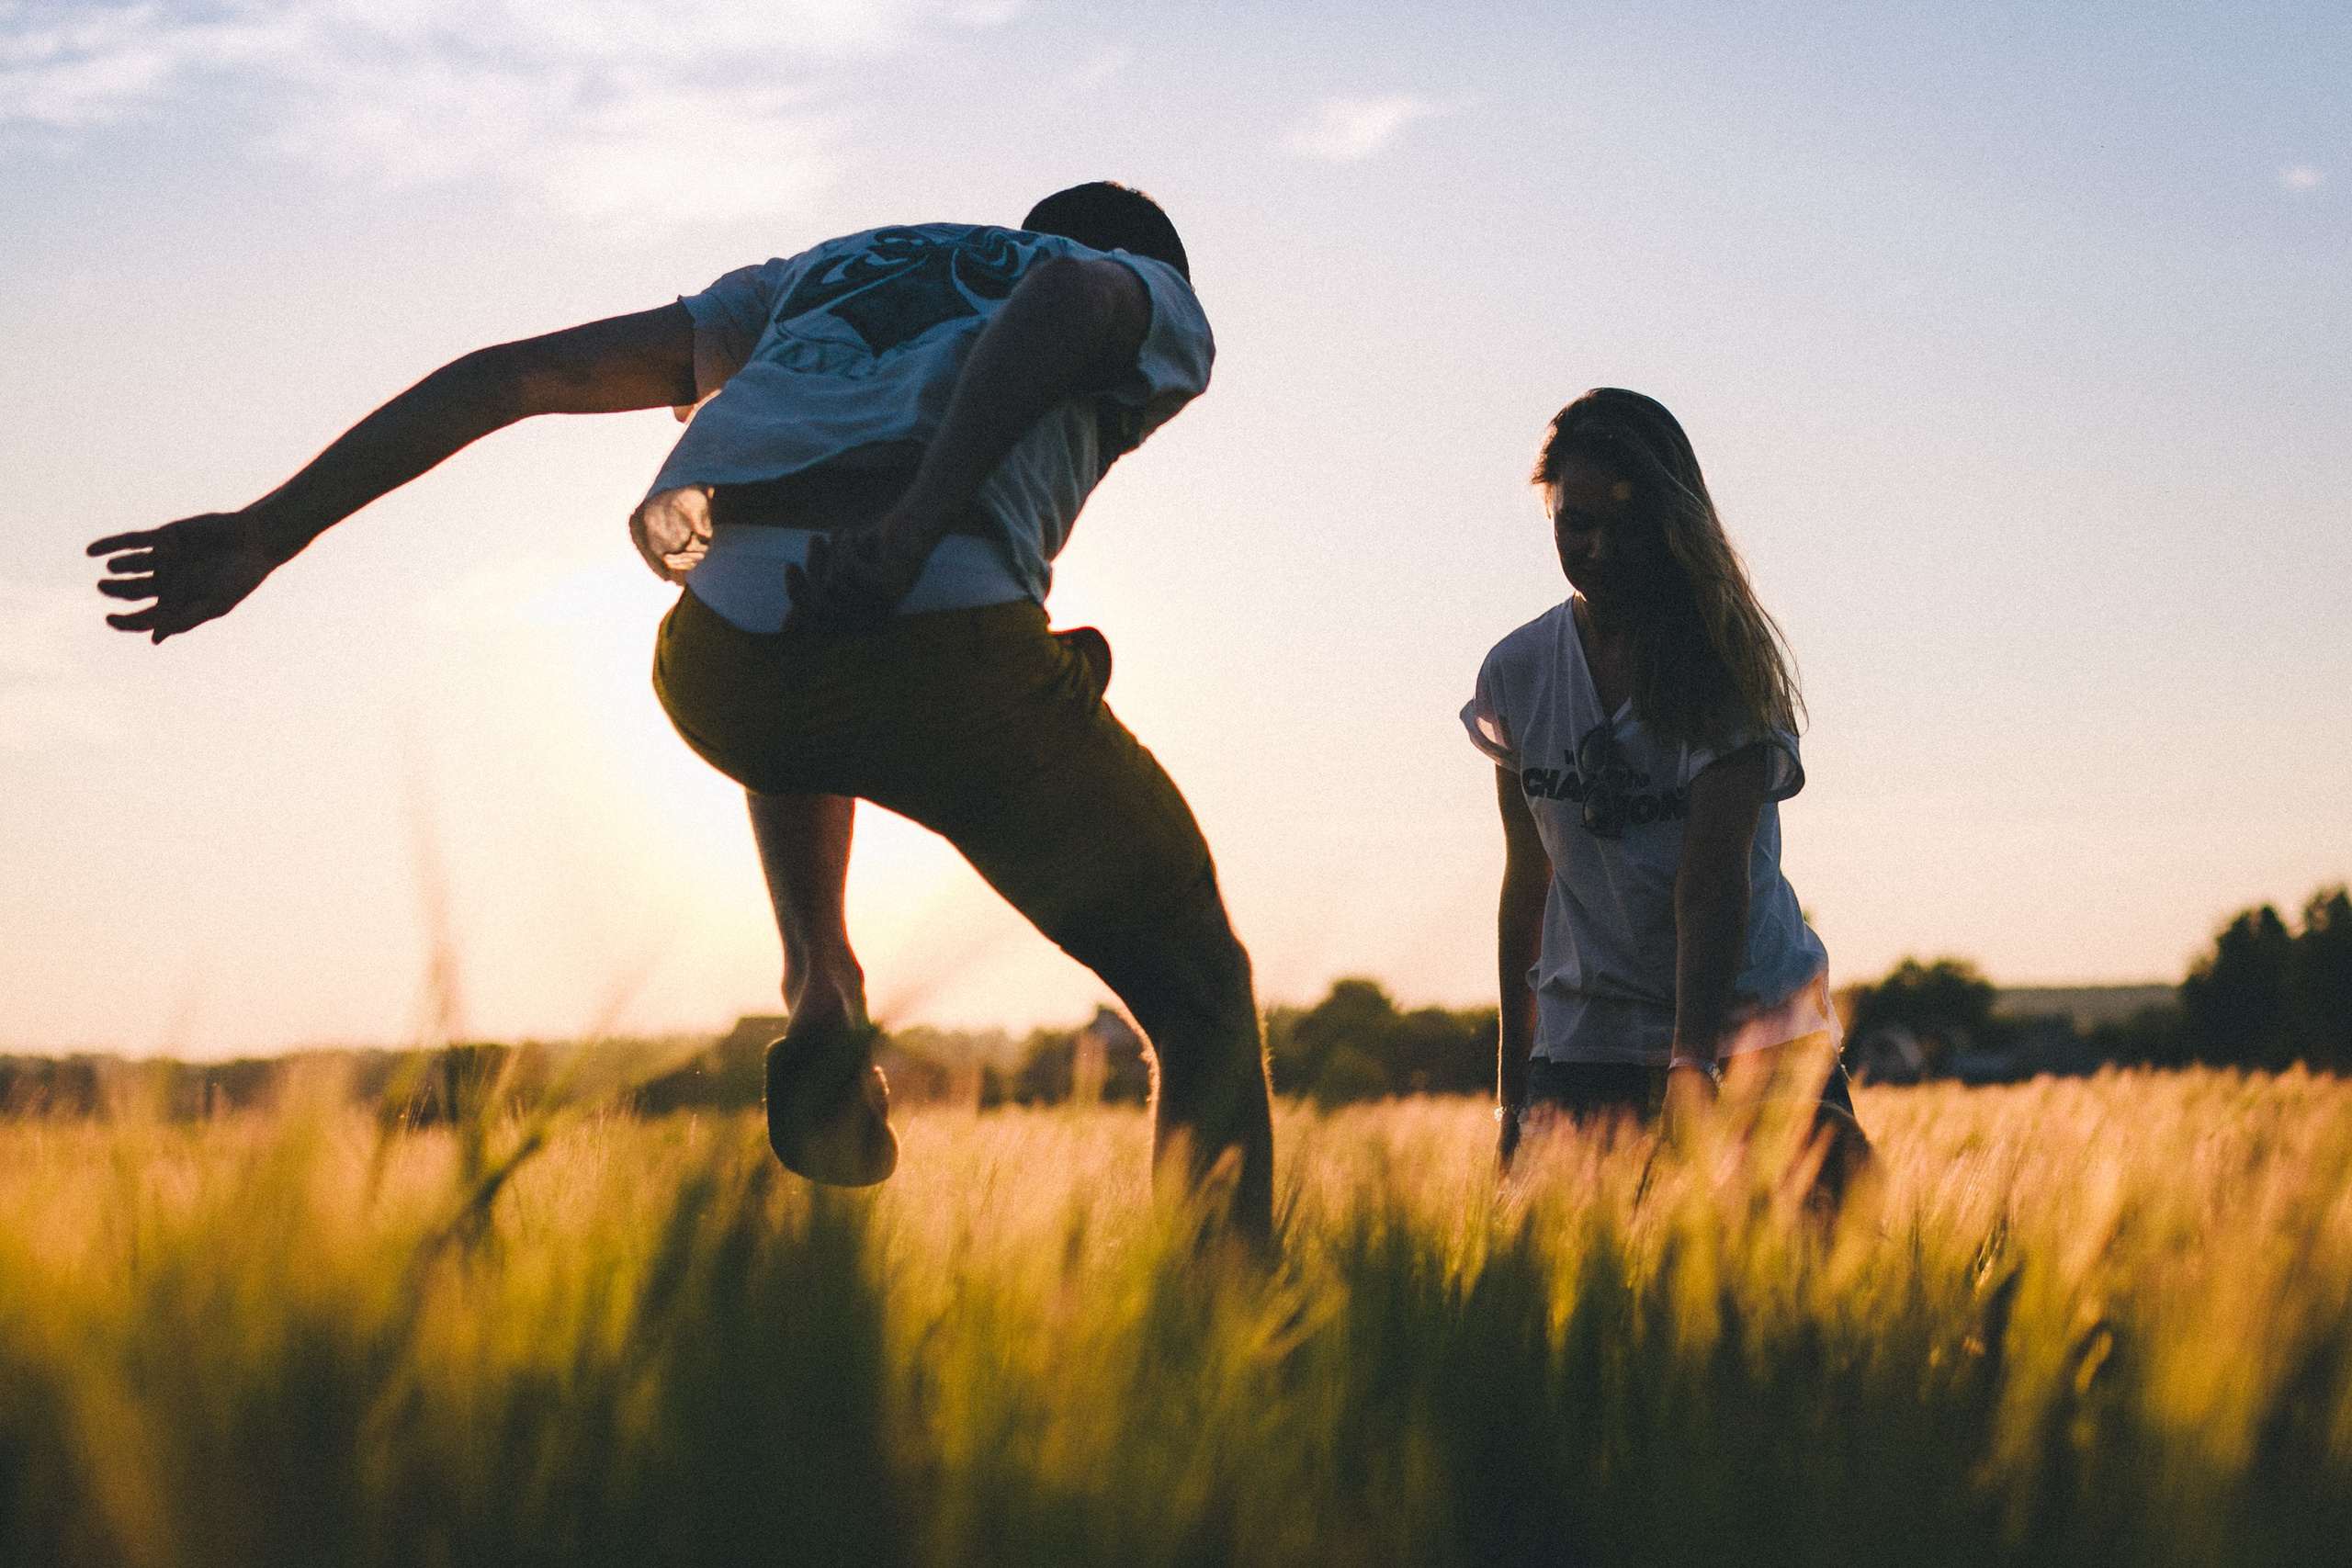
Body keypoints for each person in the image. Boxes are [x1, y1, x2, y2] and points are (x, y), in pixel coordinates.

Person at [88, 182, 1276, 1237]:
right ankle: (1221, 1344)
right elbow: (1071, 293)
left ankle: (820, 981)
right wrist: (914, 525)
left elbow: (518, 376)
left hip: (715, 660)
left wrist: (269, 527)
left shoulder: (817, 277)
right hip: (941, 638)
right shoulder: (1130, 285)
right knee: (1202, 994)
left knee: (817, 668)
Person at [1463, 389, 1866, 1185]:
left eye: (1628, 525)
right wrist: (1515, 1096)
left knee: (1813, 1284)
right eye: (1577, 524)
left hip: (1752, 1036)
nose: (1601, 548)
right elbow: (1528, 885)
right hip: (1586, 1042)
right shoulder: (1516, 674)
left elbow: (1711, 883)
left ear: (1672, 522)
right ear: (1547, 512)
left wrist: (1693, 1066)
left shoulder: (1722, 666)